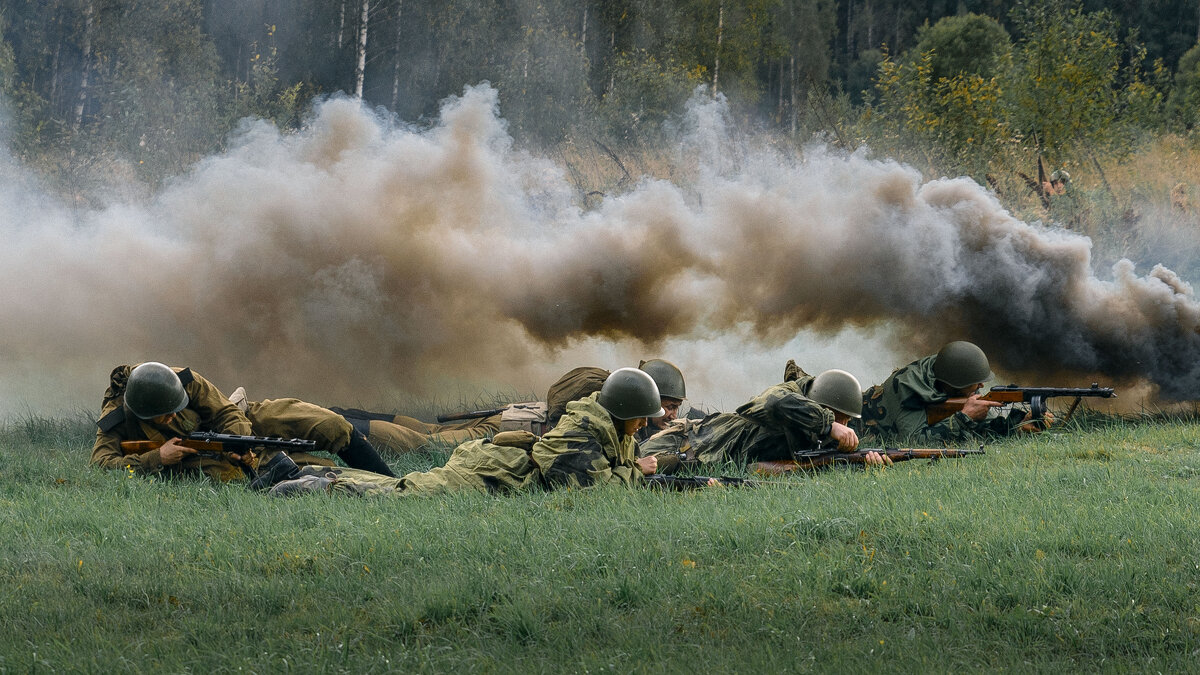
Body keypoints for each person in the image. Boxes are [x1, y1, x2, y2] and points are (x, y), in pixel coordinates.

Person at [269, 367, 696, 496]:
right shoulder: (587, 428)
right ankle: (304, 485)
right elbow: (586, 492)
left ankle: (300, 474)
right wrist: (636, 471)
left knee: (408, 478)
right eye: (657, 411)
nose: (656, 419)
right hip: (494, 469)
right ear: (626, 408)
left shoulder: (608, 422)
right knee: (410, 481)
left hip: (501, 463)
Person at [91, 362, 396, 481]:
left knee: (331, 425)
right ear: (144, 413)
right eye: (166, 415)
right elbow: (101, 464)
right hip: (208, 457)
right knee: (309, 467)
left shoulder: (178, 381)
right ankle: (388, 490)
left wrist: (236, 441)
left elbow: (227, 412)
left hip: (242, 420)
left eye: (176, 409)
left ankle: (392, 480)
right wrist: (157, 457)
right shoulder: (117, 419)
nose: (173, 416)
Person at [338, 358, 689, 454]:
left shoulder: (614, 389)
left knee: (427, 429)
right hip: (513, 430)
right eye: (668, 406)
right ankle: (338, 426)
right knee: (424, 443)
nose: (670, 415)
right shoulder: (625, 411)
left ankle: (343, 415)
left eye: (674, 409)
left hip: (515, 417)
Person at [638, 364, 890, 472]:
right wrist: (828, 423)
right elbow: (772, 402)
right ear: (821, 406)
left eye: (847, 422)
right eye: (840, 418)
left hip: (707, 459)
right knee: (629, 464)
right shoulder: (789, 397)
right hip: (692, 440)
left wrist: (863, 461)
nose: (843, 427)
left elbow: (821, 462)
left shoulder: (819, 431)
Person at [857, 341, 1048, 444]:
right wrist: (964, 418)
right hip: (856, 427)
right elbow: (913, 441)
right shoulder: (907, 388)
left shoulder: (949, 371)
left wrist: (1019, 425)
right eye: (974, 382)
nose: (981, 385)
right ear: (954, 383)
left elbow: (984, 428)